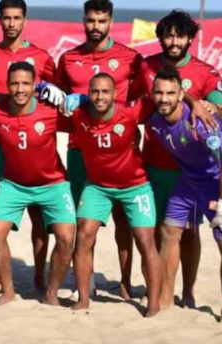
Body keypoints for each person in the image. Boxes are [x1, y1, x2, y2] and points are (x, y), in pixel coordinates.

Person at [0, 0, 63, 294]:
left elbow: (57, 95)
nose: (11, 23)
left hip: (34, 148)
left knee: (39, 216)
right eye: (6, 18)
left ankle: (38, 275)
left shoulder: (42, 57)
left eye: (16, 18)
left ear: (25, 20)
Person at [56, 0, 144, 299]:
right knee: (85, 221)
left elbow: (141, 101)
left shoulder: (130, 57)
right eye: (91, 20)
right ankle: (87, 280)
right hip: (80, 148)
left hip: (120, 150)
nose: (96, 26)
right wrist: (73, 100)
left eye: (102, 20)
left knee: (124, 220)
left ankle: (125, 281)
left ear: (110, 21)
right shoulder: (68, 58)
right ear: (84, 20)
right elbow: (59, 98)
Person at [139, 10, 222, 308]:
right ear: (160, 37)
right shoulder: (145, 66)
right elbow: (137, 103)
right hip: (157, 166)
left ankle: (187, 293)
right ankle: (163, 297)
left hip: (200, 170)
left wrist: (203, 107)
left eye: (180, 35)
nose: (174, 41)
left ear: (189, 38)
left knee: (197, 233)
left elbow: (217, 110)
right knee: (164, 231)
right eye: (169, 35)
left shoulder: (204, 71)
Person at [66, 73, 162, 317]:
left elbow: (161, 94)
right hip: (97, 186)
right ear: (88, 93)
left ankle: (153, 303)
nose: (99, 96)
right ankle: (84, 298)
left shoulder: (129, 113)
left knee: (144, 240)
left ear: (115, 94)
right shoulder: (78, 113)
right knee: (84, 234)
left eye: (105, 91)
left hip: (135, 186)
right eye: (95, 91)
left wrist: (196, 103)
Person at [0, 62, 76, 306]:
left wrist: (74, 98)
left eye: (26, 83)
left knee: (66, 238)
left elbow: (87, 114)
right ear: (7, 85)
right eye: (14, 83)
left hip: (53, 183)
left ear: (35, 85)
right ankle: (8, 291)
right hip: (13, 184)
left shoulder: (51, 111)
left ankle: (51, 292)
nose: (20, 89)